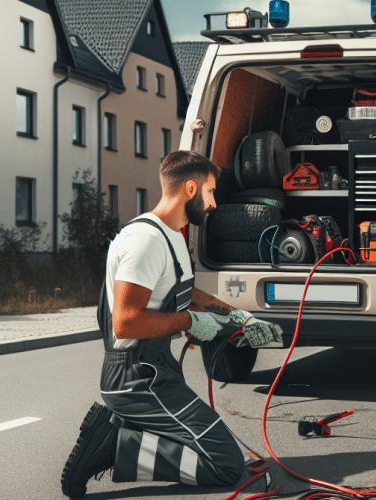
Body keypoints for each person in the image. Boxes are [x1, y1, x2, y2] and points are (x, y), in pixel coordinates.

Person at [61, 151, 272, 498]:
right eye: (210, 192)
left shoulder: (171, 234)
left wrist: (241, 319)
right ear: (190, 188)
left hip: (158, 372)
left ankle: (126, 431)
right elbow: (126, 323)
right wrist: (192, 322)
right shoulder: (144, 241)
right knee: (227, 466)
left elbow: (188, 294)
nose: (214, 203)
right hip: (136, 380)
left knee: (211, 447)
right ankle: (115, 445)